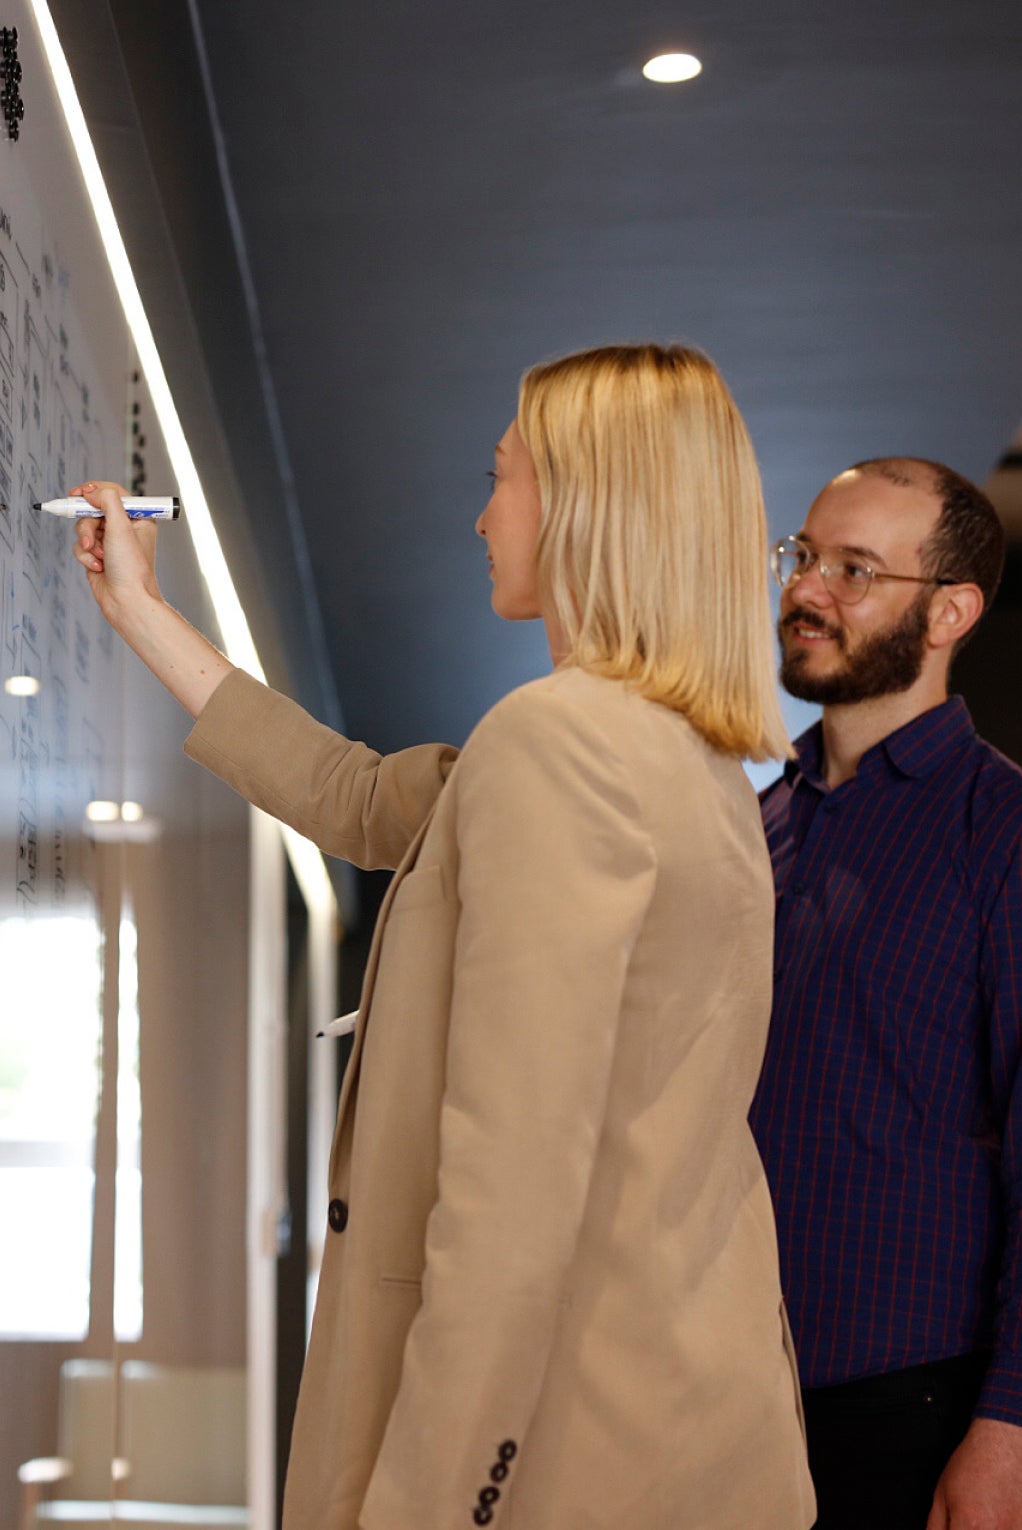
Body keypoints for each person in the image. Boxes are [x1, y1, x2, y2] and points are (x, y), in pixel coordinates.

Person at [69, 343, 814, 1530]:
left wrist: (423, 1502)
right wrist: (140, 610)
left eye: (501, 476)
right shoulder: (688, 761)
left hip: (568, 1450)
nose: (479, 517)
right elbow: (359, 800)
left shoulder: (559, 742)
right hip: (683, 1426)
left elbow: (511, 1194)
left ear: (580, 502)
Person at [749, 457, 1022, 1530]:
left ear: (950, 611)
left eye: (854, 569)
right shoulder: (752, 830)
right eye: (802, 555)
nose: (807, 590)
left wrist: (1006, 1427)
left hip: (909, 1413)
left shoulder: (1000, 835)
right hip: (718, 1396)